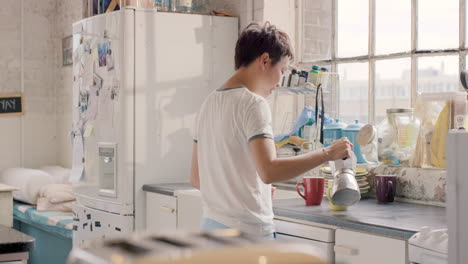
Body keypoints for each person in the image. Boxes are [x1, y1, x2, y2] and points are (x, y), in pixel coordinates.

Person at [190, 22, 353, 238]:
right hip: (246, 236)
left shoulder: (208, 103)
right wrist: (327, 154)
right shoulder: (253, 104)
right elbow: (269, 171)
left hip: (210, 232)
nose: (279, 82)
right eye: (282, 70)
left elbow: (196, 177)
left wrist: (253, 192)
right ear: (265, 60)